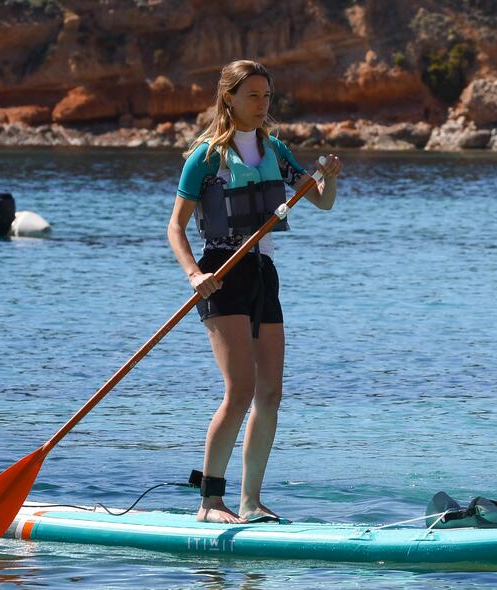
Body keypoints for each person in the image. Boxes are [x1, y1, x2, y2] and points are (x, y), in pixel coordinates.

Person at [167, 59, 342, 524]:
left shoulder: (276, 149)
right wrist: (193, 276)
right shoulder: (205, 157)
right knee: (240, 389)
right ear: (229, 98)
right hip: (221, 275)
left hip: (263, 274)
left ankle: (250, 501)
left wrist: (331, 178)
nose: (263, 104)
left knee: (270, 392)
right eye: (253, 96)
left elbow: (321, 201)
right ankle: (210, 501)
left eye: (267, 96)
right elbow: (175, 228)